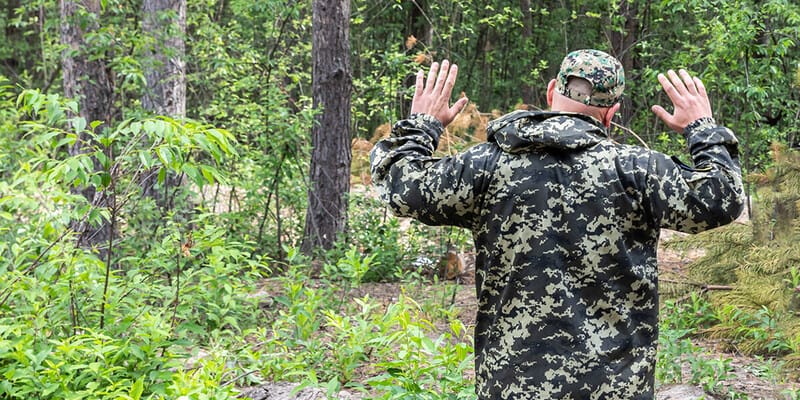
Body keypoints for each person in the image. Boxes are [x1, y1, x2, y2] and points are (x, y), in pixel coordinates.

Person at [370, 49, 745, 399]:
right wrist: (701, 127)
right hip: (614, 387)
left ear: (551, 91)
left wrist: (423, 125)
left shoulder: (486, 166)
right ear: (611, 112)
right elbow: (722, 197)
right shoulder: (638, 171)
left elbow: (401, 187)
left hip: (513, 385)